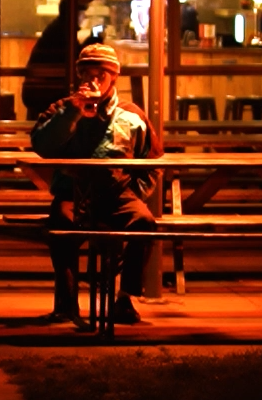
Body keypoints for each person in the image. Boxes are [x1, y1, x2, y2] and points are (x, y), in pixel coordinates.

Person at [29, 41, 162, 328]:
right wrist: (72, 113)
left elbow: (152, 160)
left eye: (100, 74)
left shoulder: (131, 115)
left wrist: (135, 192)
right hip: (72, 193)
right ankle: (66, 304)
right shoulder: (64, 108)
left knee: (144, 223)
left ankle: (124, 298)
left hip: (117, 194)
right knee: (60, 227)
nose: (93, 81)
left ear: (113, 76)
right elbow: (41, 144)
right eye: (86, 74)